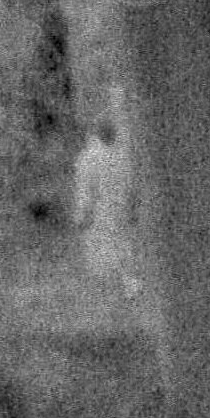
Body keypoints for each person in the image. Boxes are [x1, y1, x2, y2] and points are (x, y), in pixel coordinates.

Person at [71, 105, 139, 297]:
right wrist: (132, 208)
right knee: (123, 249)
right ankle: (128, 289)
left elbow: (85, 190)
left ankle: (111, 292)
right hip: (119, 208)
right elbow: (131, 185)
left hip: (100, 212)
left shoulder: (88, 158)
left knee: (104, 254)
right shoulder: (122, 156)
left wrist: (81, 216)